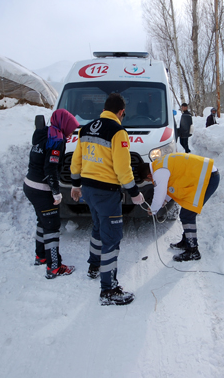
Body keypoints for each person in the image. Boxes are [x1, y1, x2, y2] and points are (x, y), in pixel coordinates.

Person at [70, 93, 145, 306]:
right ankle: (109, 290)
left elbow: (77, 161)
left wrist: (76, 185)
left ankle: (94, 266)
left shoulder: (86, 128)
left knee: (97, 228)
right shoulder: (118, 132)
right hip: (106, 192)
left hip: (88, 190)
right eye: (124, 113)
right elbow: (123, 168)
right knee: (111, 237)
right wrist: (134, 192)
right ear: (121, 112)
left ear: (104, 108)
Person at [23, 109, 80, 279]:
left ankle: (40, 256)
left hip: (30, 185)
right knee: (52, 226)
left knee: (42, 221)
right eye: (70, 129)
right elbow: (50, 168)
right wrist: (56, 193)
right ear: (64, 125)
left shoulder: (44, 133)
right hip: (41, 189)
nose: (70, 133)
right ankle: (54, 266)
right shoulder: (56, 140)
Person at [140, 153, 220, 261]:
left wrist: (154, 210)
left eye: (149, 181)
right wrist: (164, 201)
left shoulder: (159, 172)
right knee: (187, 213)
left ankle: (193, 250)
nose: (151, 182)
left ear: (149, 175)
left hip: (208, 178)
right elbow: (167, 187)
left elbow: (160, 192)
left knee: (187, 215)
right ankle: (187, 241)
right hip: (205, 174)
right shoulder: (158, 164)